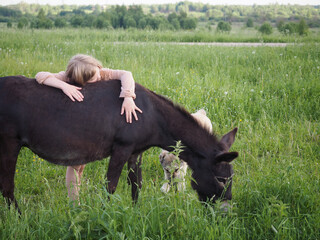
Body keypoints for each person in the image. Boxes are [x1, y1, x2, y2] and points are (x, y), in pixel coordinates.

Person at [35, 54, 142, 204]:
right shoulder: (68, 77)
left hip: (90, 125)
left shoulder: (102, 73)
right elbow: (40, 76)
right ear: (80, 80)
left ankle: (77, 190)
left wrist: (128, 96)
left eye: (97, 74)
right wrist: (64, 85)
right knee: (74, 164)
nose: (98, 79)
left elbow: (126, 74)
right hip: (75, 125)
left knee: (82, 163)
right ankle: (74, 202)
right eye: (93, 80)